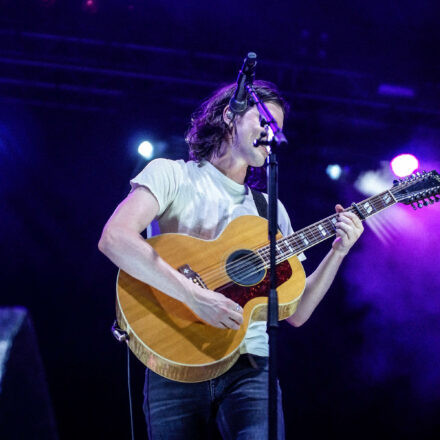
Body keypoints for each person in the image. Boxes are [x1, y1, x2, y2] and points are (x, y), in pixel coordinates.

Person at [98, 80, 364, 439]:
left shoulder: (269, 210)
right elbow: (115, 238)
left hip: (250, 366)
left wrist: (338, 252)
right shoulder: (172, 174)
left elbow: (297, 312)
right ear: (229, 116)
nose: (273, 134)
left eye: (279, 130)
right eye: (265, 120)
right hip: (173, 355)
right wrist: (193, 295)